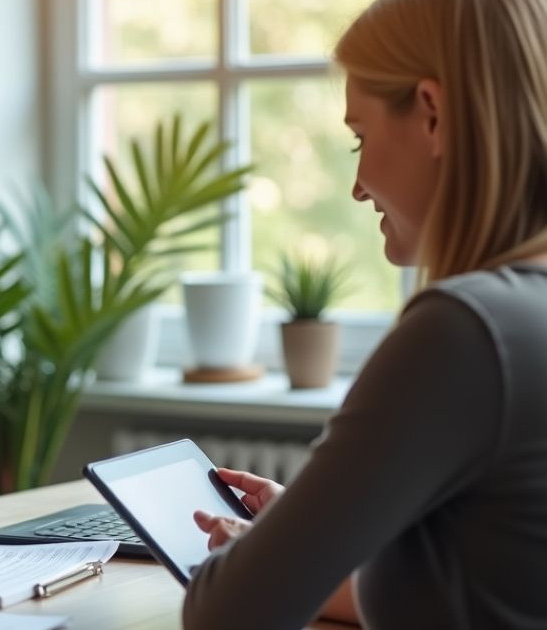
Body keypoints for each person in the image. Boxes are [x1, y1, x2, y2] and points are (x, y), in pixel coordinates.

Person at [181, 0, 547, 628]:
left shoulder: (464, 332)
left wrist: (254, 558)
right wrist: (309, 542)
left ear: (431, 115)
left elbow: (225, 614)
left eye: (361, 137)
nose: (356, 184)